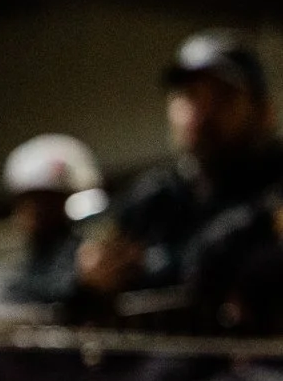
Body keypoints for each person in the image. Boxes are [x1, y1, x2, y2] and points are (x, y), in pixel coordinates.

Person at [81, 31, 283, 322]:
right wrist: (87, 277)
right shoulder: (159, 193)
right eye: (189, 95)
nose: (201, 111)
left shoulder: (274, 184)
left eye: (222, 97)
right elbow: (85, 255)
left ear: (265, 111)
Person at [0, 134, 103, 319]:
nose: (33, 209)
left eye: (46, 200)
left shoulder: (86, 254)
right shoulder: (22, 265)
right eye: (28, 200)